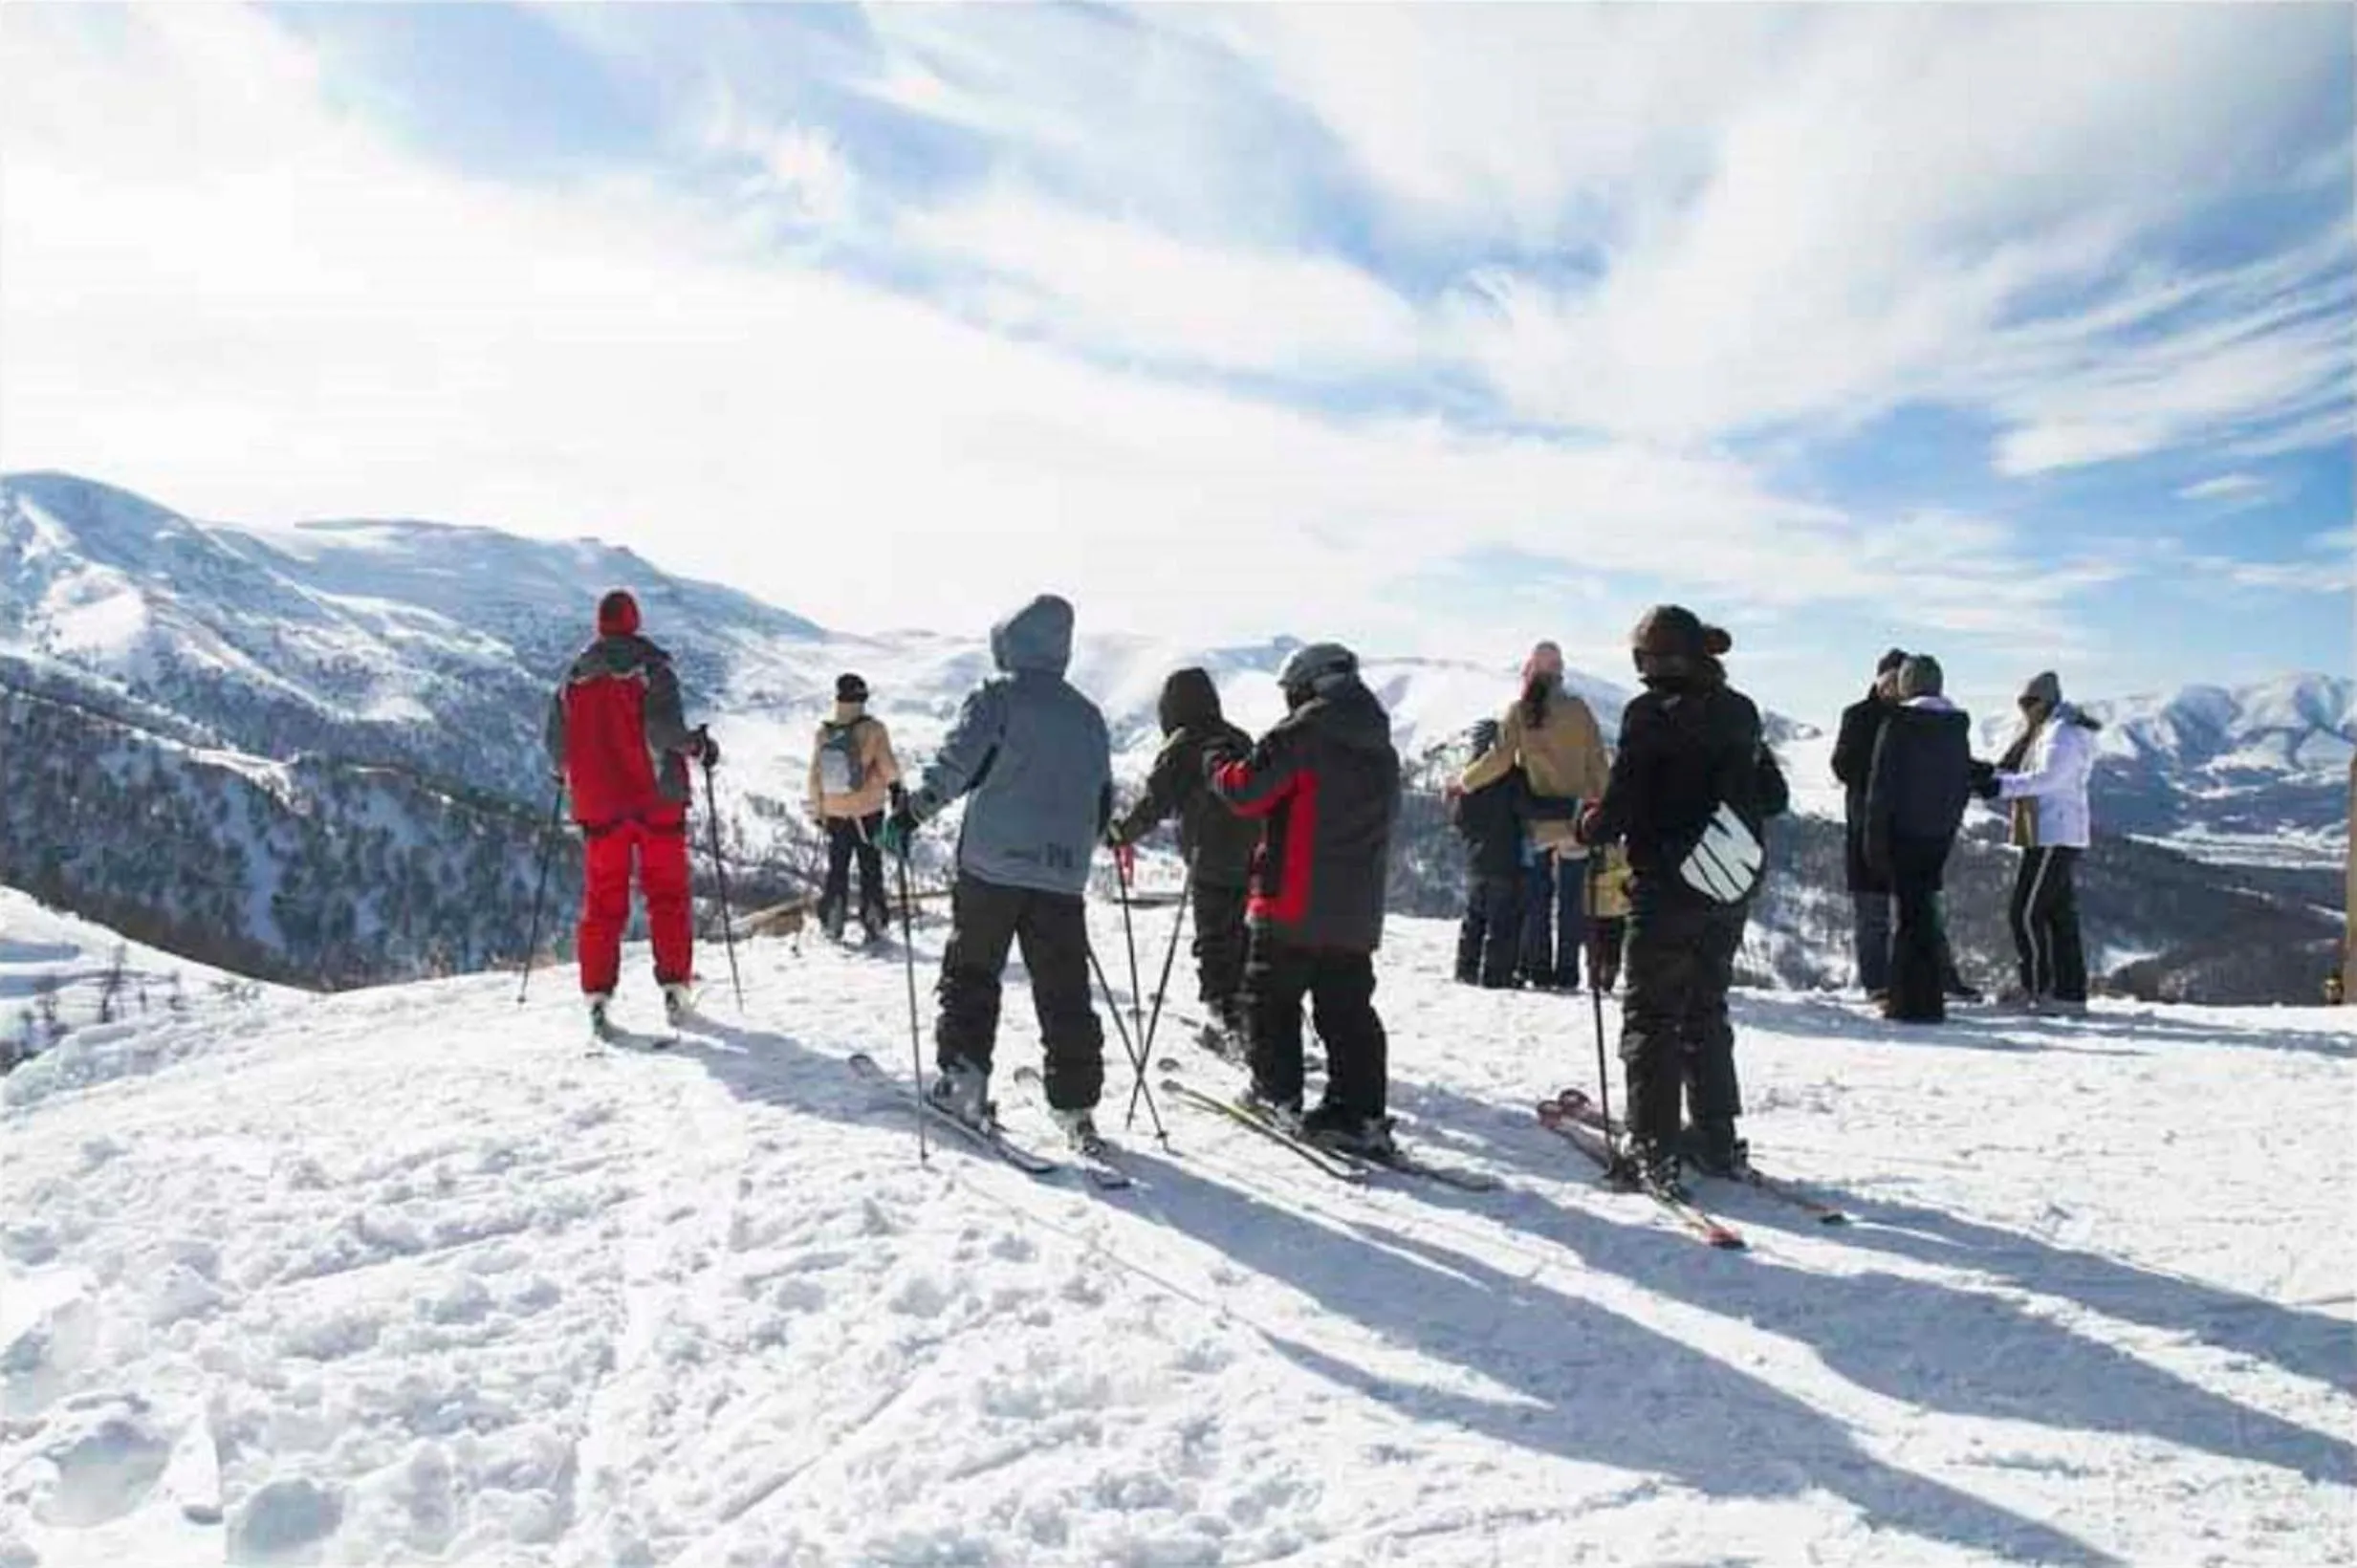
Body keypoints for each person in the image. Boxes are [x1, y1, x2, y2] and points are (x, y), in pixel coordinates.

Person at [879, 596, 1113, 1143]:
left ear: (1010, 643)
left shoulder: (998, 697)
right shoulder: (1088, 716)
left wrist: (912, 812)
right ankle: (1076, 1106)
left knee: (973, 973)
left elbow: (958, 764)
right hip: (1061, 876)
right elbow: (1101, 806)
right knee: (1065, 990)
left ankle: (963, 1081)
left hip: (993, 868)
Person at [1573, 607, 1787, 1191]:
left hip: (1668, 885)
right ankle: (1717, 1138)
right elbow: (1773, 795)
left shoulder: (1650, 715)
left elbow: (1623, 804)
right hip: (1730, 881)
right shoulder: (1740, 710)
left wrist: (1589, 827)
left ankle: (1653, 1145)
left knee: (1652, 1015)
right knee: (1706, 1009)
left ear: (1651, 659)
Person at [1204, 642, 1402, 1155]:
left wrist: (1217, 764)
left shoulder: (1304, 732)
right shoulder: (1381, 744)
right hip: (1356, 908)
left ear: (1309, 684)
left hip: (1292, 896)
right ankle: (1359, 1112)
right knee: (1348, 1009)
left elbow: (1247, 790)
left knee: (1269, 1000)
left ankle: (1276, 1096)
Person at [544, 589, 717, 1033]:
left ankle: (598, 996)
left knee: (603, 903)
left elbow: (556, 750)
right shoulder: (650, 670)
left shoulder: (572, 680)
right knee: (667, 895)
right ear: (634, 621)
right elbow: (663, 733)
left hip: (600, 809)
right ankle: (675, 988)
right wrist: (697, 745)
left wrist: (570, 775)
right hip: (656, 800)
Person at [1105, 668, 1259, 1043]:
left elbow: (1155, 802)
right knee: (1241, 934)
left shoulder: (1183, 745)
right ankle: (1252, 1014)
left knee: (1215, 937)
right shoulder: (1238, 738)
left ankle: (1225, 1018)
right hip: (1254, 855)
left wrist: (1121, 833)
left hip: (1210, 854)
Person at [1458, 642, 1610, 991]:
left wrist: (1464, 783)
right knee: (1572, 901)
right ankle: (1568, 972)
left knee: (1538, 898)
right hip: (1577, 820)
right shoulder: (1580, 711)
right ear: (1560, 674)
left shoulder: (1520, 713)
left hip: (1537, 821)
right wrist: (1602, 805)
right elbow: (1599, 764)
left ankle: (1538, 970)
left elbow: (1498, 761)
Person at [1977, 669, 2100, 1015]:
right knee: (2059, 915)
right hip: (2048, 832)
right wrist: (1989, 776)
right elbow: (2017, 770)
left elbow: (2049, 779)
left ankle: (2036, 988)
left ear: (2046, 701)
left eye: (2030, 702)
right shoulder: (2044, 731)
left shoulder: (2062, 734)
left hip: (2054, 833)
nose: (2025, 709)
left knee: (2027, 912)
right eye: (2022, 702)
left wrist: (2000, 787)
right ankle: (2069, 993)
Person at [1863, 655, 1973, 1023]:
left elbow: (1882, 788)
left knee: (1909, 919)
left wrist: (1874, 841)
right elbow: (1960, 784)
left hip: (1902, 832)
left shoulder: (1898, 724)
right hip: (1938, 834)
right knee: (1923, 914)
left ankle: (1910, 1003)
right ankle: (1927, 997)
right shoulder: (1956, 727)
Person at [1832, 649, 1908, 1000]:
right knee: (1872, 912)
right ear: (1879, 679)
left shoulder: (1913, 717)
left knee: (1915, 912)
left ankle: (1916, 979)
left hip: (1907, 827)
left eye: (1901, 680)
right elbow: (1842, 766)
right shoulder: (1858, 716)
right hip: (1865, 825)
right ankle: (1877, 983)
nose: (1895, 687)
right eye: (1891, 679)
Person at [807, 673, 902, 945]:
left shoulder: (825, 731)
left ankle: (833, 919)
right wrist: (897, 790)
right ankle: (874, 920)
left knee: (837, 868)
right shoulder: (873, 729)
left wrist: (819, 810)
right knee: (870, 865)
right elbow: (887, 766)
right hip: (867, 811)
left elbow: (815, 775)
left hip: (835, 812)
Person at [1451, 718, 1527, 989]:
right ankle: (1496, 975)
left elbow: (1459, 819)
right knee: (1502, 920)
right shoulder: (1513, 777)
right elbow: (1526, 810)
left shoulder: (1469, 778)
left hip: (1476, 858)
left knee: (1474, 917)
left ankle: (1466, 968)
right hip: (1506, 855)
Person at [1587, 841, 1632, 994]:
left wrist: (1606, 877)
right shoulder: (1593, 846)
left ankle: (1608, 976)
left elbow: (1627, 869)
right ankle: (1596, 975)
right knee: (1597, 943)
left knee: (1611, 943)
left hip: (1614, 904)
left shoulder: (1618, 847)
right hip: (1596, 905)